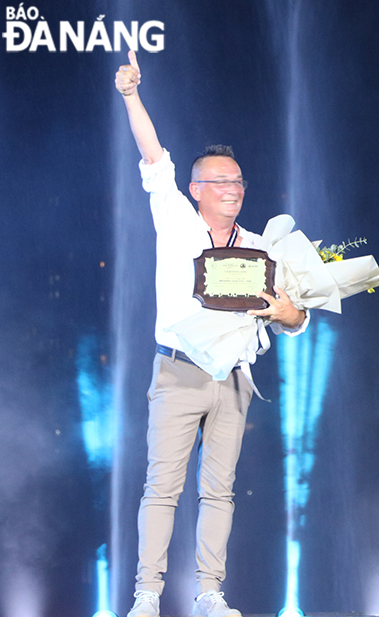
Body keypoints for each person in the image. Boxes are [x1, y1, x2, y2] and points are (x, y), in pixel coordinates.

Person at [115, 50, 308, 617]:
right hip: (177, 368)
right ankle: (147, 595)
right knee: (161, 488)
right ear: (196, 188)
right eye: (220, 181)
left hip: (234, 377)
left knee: (219, 490)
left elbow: (295, 319)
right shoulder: (174, 217)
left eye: (239, 181)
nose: (233, 188)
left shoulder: (259, 246)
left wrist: (288, 313)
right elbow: (153, 154)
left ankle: (208, 595)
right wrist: (130, 95)